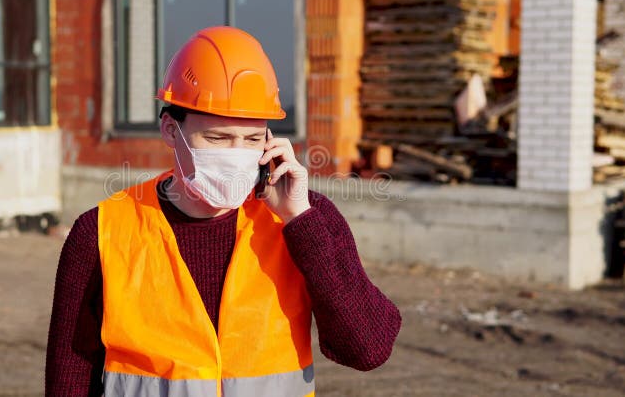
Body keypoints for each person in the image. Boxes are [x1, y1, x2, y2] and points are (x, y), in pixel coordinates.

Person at [45, 26, 401, 397]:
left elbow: (368, 350)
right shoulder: (101, 231)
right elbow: (68, 377)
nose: (235, 155)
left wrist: (300, 220)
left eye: (251, 140)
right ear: (170, 130)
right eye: (217, 138)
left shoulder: (306, 218)